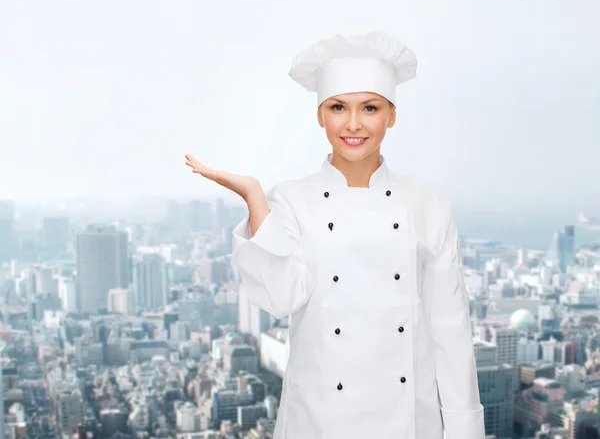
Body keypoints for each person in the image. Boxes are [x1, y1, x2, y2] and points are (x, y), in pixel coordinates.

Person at [184, 31, 484, 439]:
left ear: (391, 116)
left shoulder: (428, 205)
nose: (354, 124)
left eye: (371, 108)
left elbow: (450, 329)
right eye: (339, 107)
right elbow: (281, 297)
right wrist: (254, 196)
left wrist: (464, 428)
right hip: (320, 418)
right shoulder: (291, 200)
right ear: (320, 115)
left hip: (410, 421)